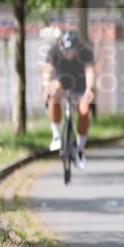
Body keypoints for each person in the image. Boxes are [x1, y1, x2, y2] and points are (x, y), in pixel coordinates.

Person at [43, 30, 96, 169]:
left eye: (72, 50)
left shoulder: (86, 51)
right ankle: (56, 136)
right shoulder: (54, 50)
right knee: (53, 94)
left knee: (84, 111)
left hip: (80, 83)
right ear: (60, 46)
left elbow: (90, 72)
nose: (68, 53)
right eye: (65, 50)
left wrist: (89, 89)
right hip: (61, 81)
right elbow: (48, 72)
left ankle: (80, 149)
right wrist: (46, 87)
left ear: (78, 48)